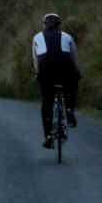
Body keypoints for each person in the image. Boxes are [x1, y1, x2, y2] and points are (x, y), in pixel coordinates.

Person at [32, 13, 81, 149]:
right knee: (71, 86)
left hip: (46, 68)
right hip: (65, 67)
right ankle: (70, 109)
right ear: (59, 25)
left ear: (44, 25)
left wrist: (37, 74)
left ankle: (48, 136)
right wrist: (77, 73)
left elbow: (36, 59)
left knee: (47, 101)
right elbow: (74, 58)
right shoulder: (67, 36)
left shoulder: (37, 37)